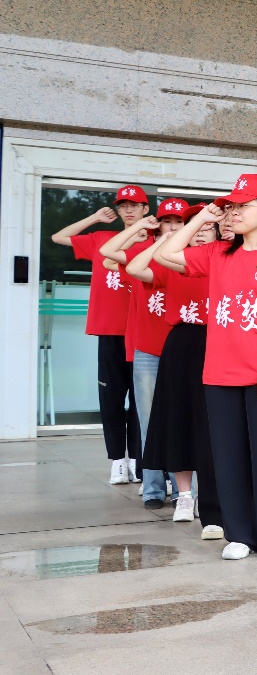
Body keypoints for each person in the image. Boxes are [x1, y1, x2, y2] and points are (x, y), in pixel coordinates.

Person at [157, 174, 257, 561]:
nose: (234, 213)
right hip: (219, 374)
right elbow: (165, 255)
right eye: (231, 207)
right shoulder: (217, 254)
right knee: (228, 457)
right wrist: (201, 218)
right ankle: (238, 534)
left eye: (242, 206)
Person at [128, 203, 224, 538]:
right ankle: (184, 496)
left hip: (217, 343)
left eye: (207, 228)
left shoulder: (224, 263)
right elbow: (135, 267)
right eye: (194, 226)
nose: (200, 232)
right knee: (178, 419)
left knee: (211, 421)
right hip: (181, 344)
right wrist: (164, 238)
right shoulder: (174, 265)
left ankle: (209, 494)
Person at [50, 185, 151, 485]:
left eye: (135, 205)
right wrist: (94, 218)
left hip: (143, 331)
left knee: (140, 401)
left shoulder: (155, 243)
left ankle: (137, 459)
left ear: (146, 209)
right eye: (123, 206)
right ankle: (117, 461)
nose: (129, 210)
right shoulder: (101, 239)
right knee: (111, 398)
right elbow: (58, 237)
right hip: (110, 330)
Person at [100, 199, 188, 508]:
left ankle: (182, 490)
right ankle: (152, 488)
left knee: (180, 420)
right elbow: (108, 253)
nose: (173, 227)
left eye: (179, 222)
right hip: (148, 351)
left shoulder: (193, 258)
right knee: (148, 420)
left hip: (182, 350)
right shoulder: (143, 252)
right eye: (167, 222)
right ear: (159, 224)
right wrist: (143, 228)